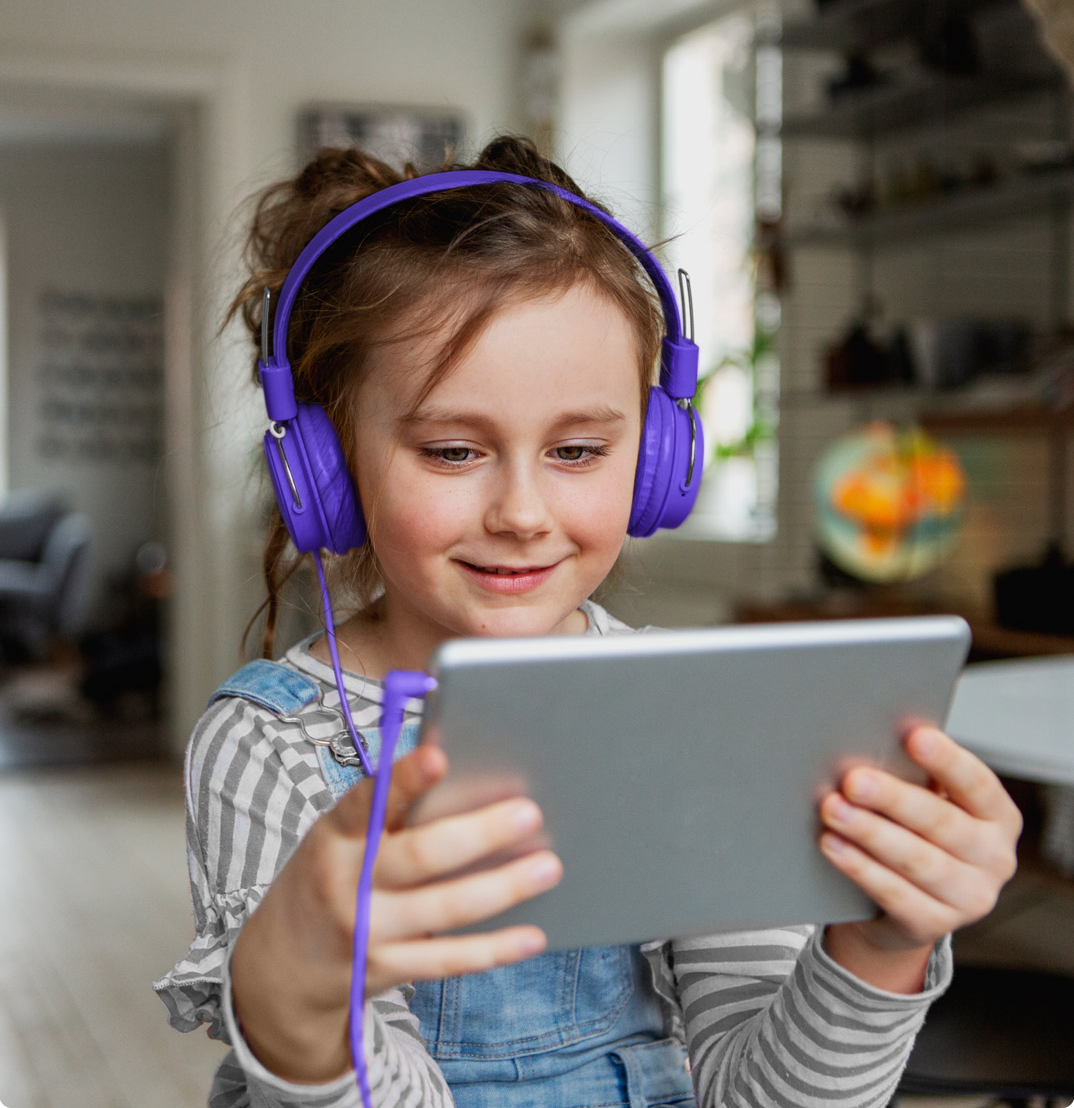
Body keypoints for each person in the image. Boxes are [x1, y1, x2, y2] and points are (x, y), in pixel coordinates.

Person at [154, 136, 1022, 1108]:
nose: (522, 513)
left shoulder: (689, 715)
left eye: (576, 449)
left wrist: (881, 942)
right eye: (450, 449)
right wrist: (300, 994)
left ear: (656, 464)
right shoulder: (269, 747)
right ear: (324, 470)